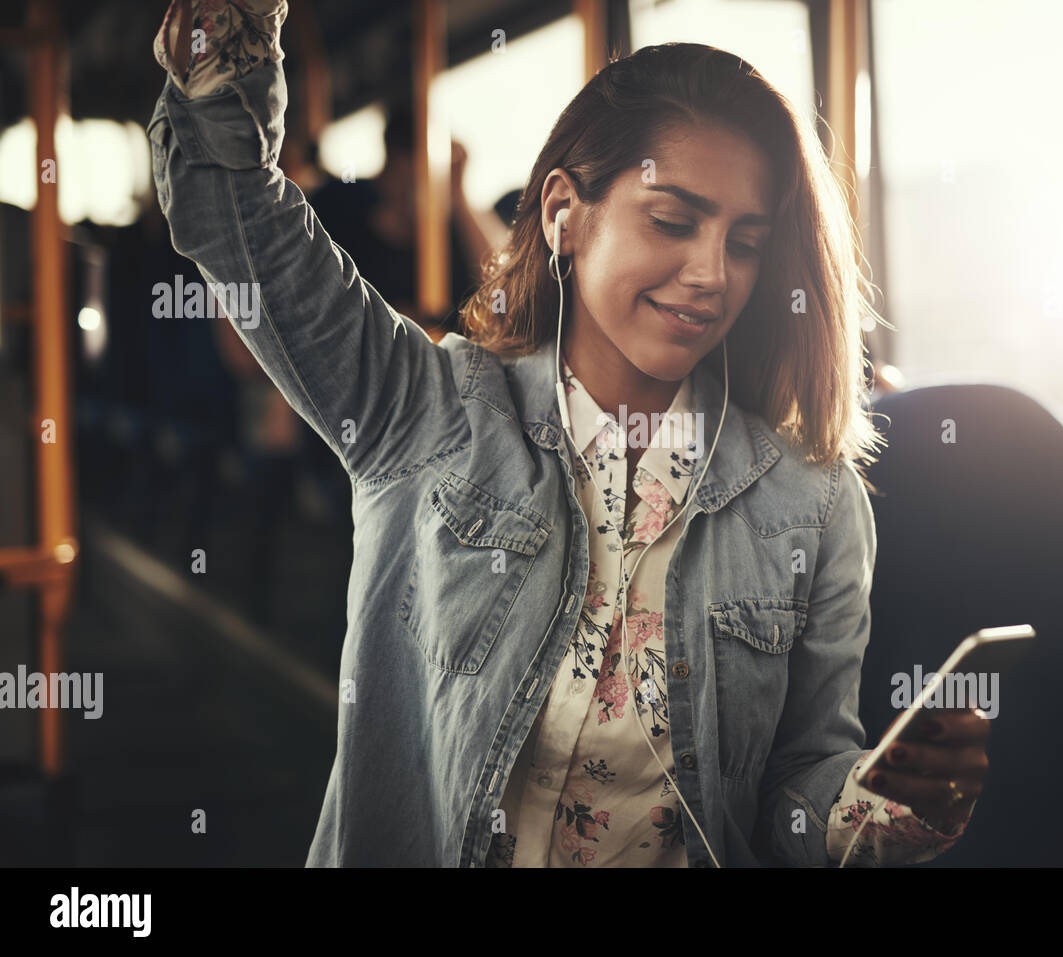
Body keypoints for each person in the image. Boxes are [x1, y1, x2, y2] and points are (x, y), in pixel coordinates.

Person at [149, 0, 989, 867]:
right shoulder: (428, 413)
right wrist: (228, 55)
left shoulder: (811, 505)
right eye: (671, 221)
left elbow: (798, 790)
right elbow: (237, 218)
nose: (710, 274)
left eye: (744, 243)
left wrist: (874, 806)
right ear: (564, 212)